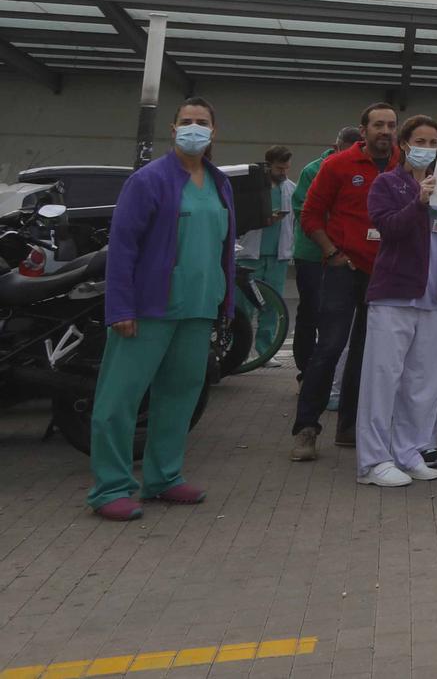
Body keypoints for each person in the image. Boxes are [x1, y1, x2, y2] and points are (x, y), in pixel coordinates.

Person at [88, 98, 236, 521]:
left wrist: (225, 303)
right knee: (119, 401)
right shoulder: (148, 180)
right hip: (149, 309)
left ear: (214, 132)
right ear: (172, 130)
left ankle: (164, 478)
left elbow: (224, 247)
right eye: (186, 122)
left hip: (198, 309)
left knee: (179, 396)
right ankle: (109, 488)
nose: (194, 128)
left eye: (202, 122)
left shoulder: (219, 183)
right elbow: (122, 248)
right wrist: (120, 308)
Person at [292, 102, 400, 461]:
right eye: (378, 125)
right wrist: (332, 252)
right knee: (331, 346)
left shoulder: (407, 166)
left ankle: (349, 426)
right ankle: (306, 428)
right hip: (343, 270)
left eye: (391, 125)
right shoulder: (337, 165)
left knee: (367, 352)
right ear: (364, 129)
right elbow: (310, 214)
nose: (385, 131)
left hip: (384, 274)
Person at [355, 115, 437, 487]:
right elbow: (389, 228)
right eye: (420, 141)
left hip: (435, 296)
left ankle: (409, 451)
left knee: (424, 382)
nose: (426, 148)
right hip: (395, 294)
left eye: (433, 142)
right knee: (383, 379)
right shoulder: (387, 183)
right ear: (405, 144)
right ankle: (372, 461)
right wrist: (420, 201)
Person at [289, 125, 360, 382]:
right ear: (337, 145)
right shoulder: (313, 170)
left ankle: (334, 376)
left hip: (346, 253)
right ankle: (305, 369)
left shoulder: (362, 167)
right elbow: (303, 209)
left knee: (338, 316)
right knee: (311, 310)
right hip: (312, 253)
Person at [238, 145, 293, 368]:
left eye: (287, 168)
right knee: (244, 306)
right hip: (251, 255)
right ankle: (239, 351)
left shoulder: (290, 188)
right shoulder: (252, 188)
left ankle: (265, 352)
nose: (284, 172)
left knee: (272, 306)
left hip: (278, 256)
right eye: (280, 168)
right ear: (268, 165)